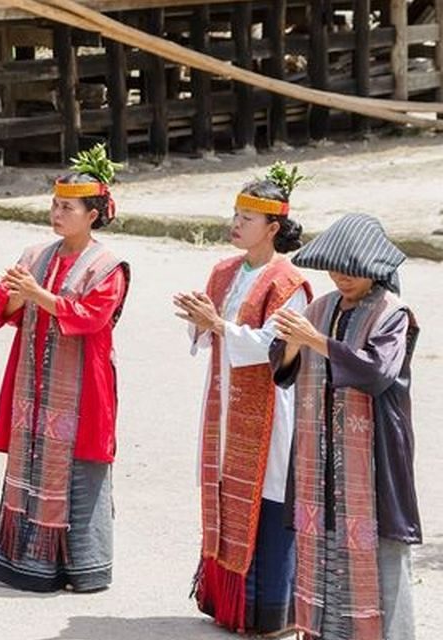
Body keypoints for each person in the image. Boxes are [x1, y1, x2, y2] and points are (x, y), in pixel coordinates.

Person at [0, 144, 129, 593]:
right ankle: (24, 563)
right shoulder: (35, 255)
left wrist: (38, 295)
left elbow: (90, 317)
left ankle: (85, 567)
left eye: (67, 207)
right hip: (33, 378)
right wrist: (16, 293)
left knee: (81, 469)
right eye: (54, 205)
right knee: (29, 461)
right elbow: (5, 307)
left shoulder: (109, 266)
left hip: (84, 386)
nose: (57, 214)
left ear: (93, 214)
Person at [175, 162, 311, 635]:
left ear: (272, 228)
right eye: (234, 214)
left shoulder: (286, 282)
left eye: (246, 218)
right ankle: (225, 604)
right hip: (224, 404)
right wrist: (200, 320)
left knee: (268, 499)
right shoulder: (224, 270)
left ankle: (269, 612)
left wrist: (218, 325)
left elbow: (275, 346)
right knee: (222, 493)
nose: (235, 224)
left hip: (268, 411)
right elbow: (209, 337)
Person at [270, 213, 421, 640]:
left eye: (352, 270)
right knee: (323, 543)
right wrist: (295, 344)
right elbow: (281, 369)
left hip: (374, 458)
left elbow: (376, 373)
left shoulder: (393, 314)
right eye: (335, 269)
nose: (342, 278)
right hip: (318, 454)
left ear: (374, 269)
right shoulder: (319, 308)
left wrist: (314, 340)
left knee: (380, 553)